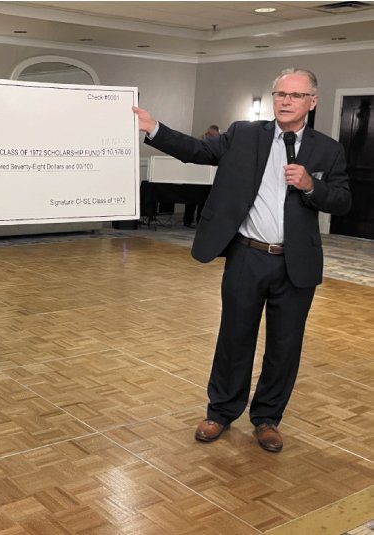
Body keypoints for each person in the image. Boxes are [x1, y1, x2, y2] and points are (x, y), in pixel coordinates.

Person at [133, 68, 350, 452]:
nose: (285, 101)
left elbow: (343, 201)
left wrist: (311, 186)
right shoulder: (245, 134)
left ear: (312, 102)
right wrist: (155, 128)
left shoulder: (328, 149)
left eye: (295, 95)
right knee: (234, 339)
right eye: (280, 93)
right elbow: (199, 151)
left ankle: (267, 418)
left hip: (295, 263)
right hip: (247, 256)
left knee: (285, 346)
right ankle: (220, 412)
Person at [183, 124, 220, 227]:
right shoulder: (199, 142)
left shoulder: (216, 144)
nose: (215, 138)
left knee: (203, 202)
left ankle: (200, 221)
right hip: (195, 176)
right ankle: (187, 220)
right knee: (191, 201)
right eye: (213, 136)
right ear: (208, 134)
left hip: (207, 178)